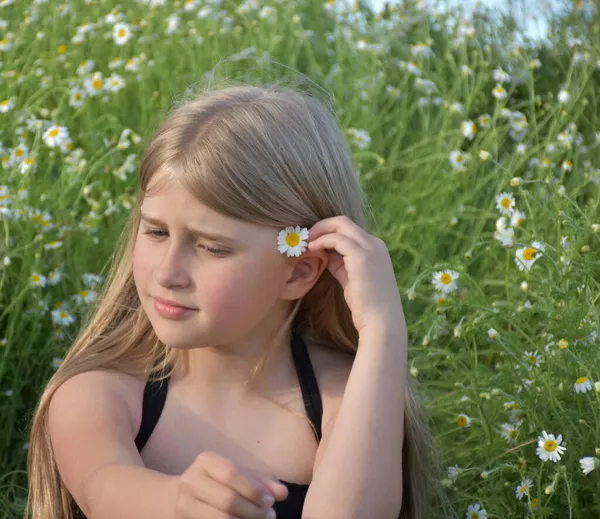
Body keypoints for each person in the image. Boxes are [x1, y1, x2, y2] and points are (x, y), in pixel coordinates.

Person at [25, 80, 448, 519]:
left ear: (300, 270)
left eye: (211, 247)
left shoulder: (343, 394)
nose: (167, 273)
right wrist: (176, 505)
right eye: (155, 232)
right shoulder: (101, 393)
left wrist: (383, 332)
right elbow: (103, 491)